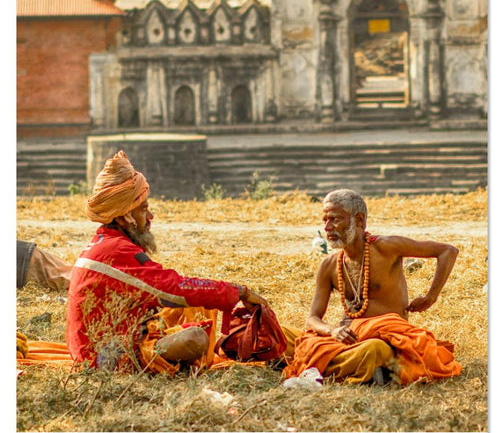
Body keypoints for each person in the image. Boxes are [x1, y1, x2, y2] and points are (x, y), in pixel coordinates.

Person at [66, 150, 266, 371]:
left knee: (193, 305)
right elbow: (173, 288)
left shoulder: (107, 242)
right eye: (144, 210)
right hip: (105, 360)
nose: (150, 217)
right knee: (196, 337)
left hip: (119, 340)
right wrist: (238, 292)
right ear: (125, 216)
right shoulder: (114, 250)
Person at [283, 188, 462, 385]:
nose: (327, 227)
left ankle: (320, 366)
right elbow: (313, 318)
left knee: (375, 350)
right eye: (324, 220)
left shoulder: (386, 247)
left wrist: (431, 296)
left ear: (359, 220)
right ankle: (342, 367)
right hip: (344, 341)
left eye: (334, 219)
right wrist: (331, 331)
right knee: (281, 333)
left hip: (382, 341)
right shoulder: (329, 265)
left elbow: (447, 251)